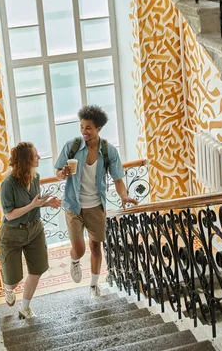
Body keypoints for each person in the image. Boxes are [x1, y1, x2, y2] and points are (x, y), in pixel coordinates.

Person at [55, 105, 138, 298]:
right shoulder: (72, 146)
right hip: (73, 205)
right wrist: (63, 173)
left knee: (95, 247)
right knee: (79, 248)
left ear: (98, 129)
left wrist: (123, 196)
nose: (84, 131)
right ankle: (75, 261)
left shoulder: (109, 151)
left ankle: (93, 285)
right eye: (82, 126)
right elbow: (58, 172)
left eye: (88, 128)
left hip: (96, 206)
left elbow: (118, 179)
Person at [0, 141, 61, 318]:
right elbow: (9, 215)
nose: (39, 157)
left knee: (37, 270)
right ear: (27, 161)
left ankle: (24, 307)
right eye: (35, 155)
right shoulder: (8, 184)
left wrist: (47, 203)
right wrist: (33, 204)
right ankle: (9, 289)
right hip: (12, 234)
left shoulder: (36, 177)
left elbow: (35, 202)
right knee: (13, 279)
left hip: (35, 230)